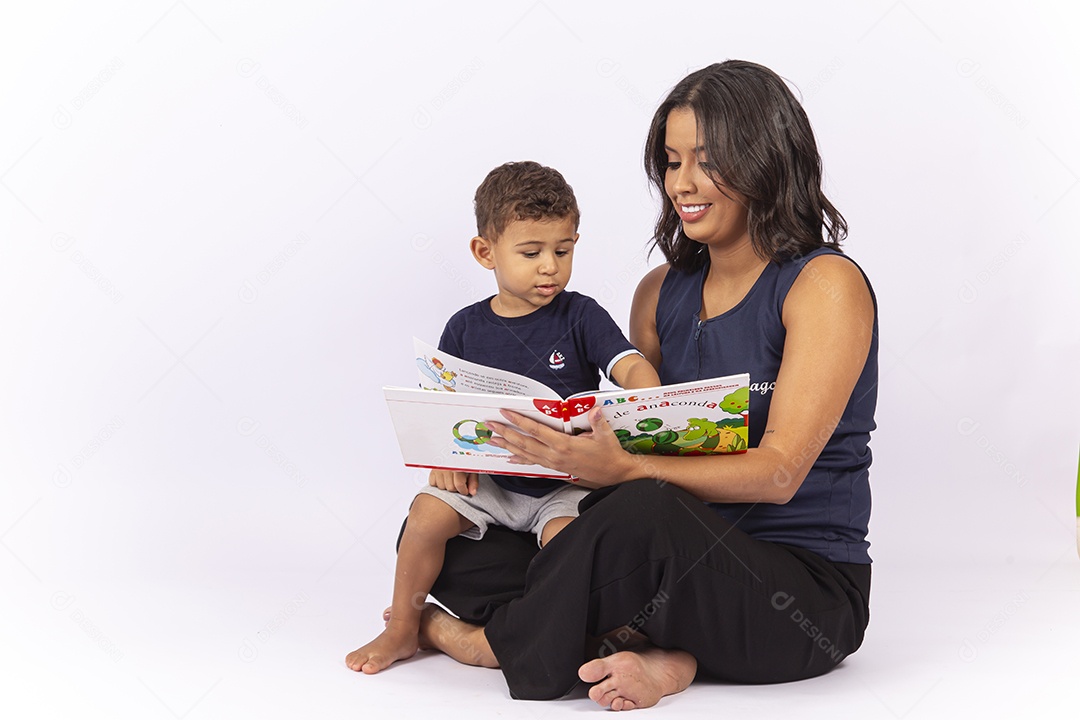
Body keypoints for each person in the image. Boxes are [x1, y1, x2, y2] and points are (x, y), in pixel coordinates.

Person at [412, 60, 879, 711]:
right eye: (671, 160)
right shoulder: (658, 292)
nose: (682, 183)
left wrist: (624, 466)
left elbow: (779, 474)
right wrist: (523, 453)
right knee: (460, 531)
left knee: (643, 512)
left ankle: (489, 642)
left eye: (707, 160)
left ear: (767, 161)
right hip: (663, 559)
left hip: (797, 590)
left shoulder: (825, 285)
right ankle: (666, 653)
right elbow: (625, 435)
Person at [346, 160, 661, 674]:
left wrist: (647, 394)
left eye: (563, 250)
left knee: (571, 545)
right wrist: (443, 461)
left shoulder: (580, 314)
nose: (550, 268)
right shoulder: (465, 328)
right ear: (485, 252)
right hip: (490, 479)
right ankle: (402, 628)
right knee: (425, 516)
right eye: (531, 252)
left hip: (565, 482)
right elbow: (441, 414)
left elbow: (624, 363)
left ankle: (565, 632)